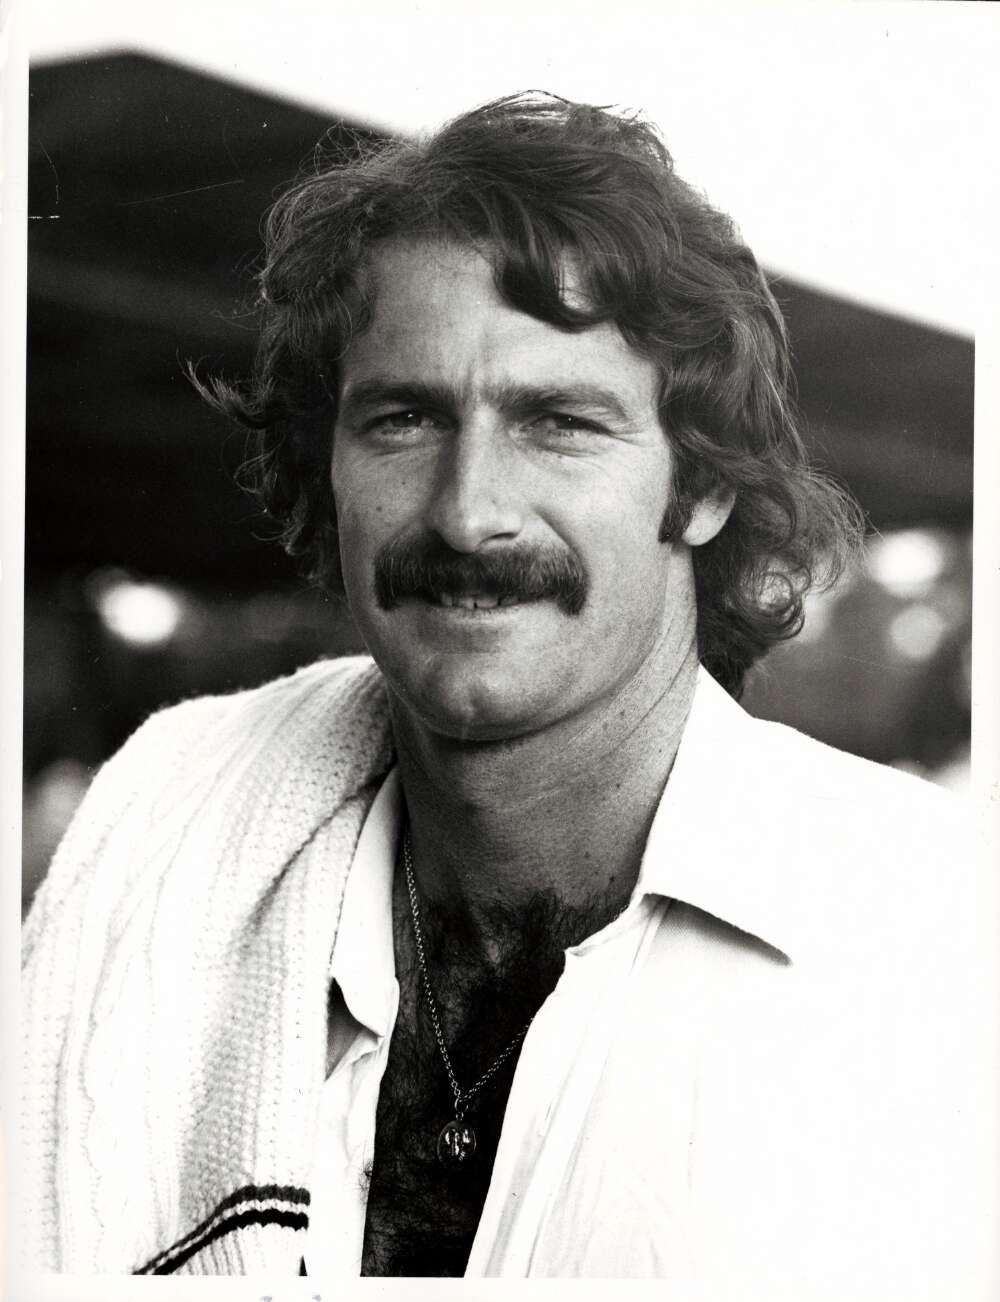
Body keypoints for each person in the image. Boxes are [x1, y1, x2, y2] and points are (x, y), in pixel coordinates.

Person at [19, 93, 992, 1294]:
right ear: (328, 468)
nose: (467, 511)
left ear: (701, 489)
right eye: (403, 419)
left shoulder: (934, 940)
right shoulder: (172, 823)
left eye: (559, 423)